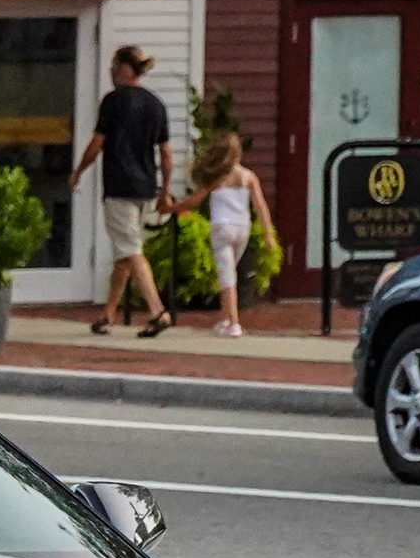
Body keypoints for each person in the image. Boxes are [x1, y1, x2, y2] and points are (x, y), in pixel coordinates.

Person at [68, 44, 175, 338]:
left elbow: (97, 142)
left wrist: (78, 171)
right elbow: (166, 153)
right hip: (146, 189)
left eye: (115, 66)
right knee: (124, 253)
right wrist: (164, 190)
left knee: (131, 250)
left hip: (119, 187)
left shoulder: (113, 102)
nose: (112, 72)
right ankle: (108, 315)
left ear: (126, 68)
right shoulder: (156, 105)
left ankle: (157, 311)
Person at [168, 132, 276, 338]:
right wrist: (268, 234)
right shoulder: (248, 177)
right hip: (242, 229)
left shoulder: (216, 177)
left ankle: (234, 323)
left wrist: (172, 209)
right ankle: (226, 319)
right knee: (230, 272)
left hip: (221, 228)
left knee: (227, 278)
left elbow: (194, 201)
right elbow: (260, 206)